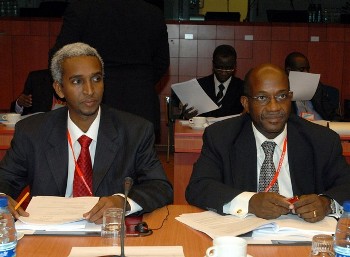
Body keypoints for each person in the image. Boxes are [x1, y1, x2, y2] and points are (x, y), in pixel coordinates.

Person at [0, 42, 173, 224]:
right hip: (50, 232)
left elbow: (160, 187)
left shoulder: (135, 131)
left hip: (108, 231)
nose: (90, 90)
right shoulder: (32, 131)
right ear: (59, 89)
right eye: (77, 81)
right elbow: (5, 179)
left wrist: (123, 201)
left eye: (96, 79)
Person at [186, 63, 350, 223]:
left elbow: (346, 185)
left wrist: (327, 203)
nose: (274, 107)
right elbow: (199, 187)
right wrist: (249, 202)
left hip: (302, 236)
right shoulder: (222, 137)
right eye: (262, 98)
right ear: (246, 104)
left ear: (290, 98)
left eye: (281, 96)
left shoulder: (321, 140)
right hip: (242, 233)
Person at [48, 0, 170, 137]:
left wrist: (80, 83)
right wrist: (141, 82)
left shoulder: (82, 8)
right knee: (140, 155)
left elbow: (59, 57)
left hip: (96, 101)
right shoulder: (153, 12)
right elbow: (162, 61)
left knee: (95, 156)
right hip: (142, 101)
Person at [178, 44, 244, 119]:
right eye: (219, 67)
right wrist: (186, 116)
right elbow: (183, 119)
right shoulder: (199, 86)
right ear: (213, 64)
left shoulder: (243, 88)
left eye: (228, 68)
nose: (223, 72)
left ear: (235, 66)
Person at [285, 51, 342, 121]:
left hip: (321, 126)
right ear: (289, 70)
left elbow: (331, 114)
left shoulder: (316, 86)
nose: (306, 72)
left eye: (307, 69)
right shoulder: (282, 90)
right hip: (298, 128)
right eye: (302, 69)